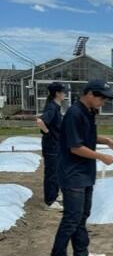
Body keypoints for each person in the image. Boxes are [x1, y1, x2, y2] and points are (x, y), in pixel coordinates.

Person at [49, 79, 113, 256]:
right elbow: (75, 147)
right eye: (102, 98)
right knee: (72, 217)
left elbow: (87, 137)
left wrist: (107, 141)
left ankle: (81, 255)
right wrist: (102, 157)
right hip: (73, 174)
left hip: (85, 172)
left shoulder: (89, 112)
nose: (104, 102)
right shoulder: (74, 113)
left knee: (82, 215)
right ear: (89, 94)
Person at [36, 81, 66, 210]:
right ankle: (50, 200)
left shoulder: (56, 106)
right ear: (57, 93)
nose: (65, 94)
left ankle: (55, 194)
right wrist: (48, 133)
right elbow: (40, 121)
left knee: (58, 170)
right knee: (52, 173)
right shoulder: (52, 107)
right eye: (63, 92)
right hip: (51, 146)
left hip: (57, 144)